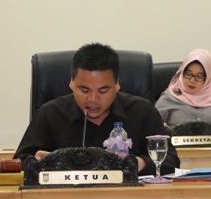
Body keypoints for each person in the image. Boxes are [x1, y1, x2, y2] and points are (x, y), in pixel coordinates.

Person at [14, 43, 180, 176]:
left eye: (103, 91)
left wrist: (139, 163)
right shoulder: (50, 113)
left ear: (117, 84)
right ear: (72, 82)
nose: (93, 99)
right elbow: (19, 161)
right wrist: (35, 161)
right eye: (84, 90)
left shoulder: (142, 111)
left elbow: (171, 161)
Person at [155, 49, 211, 126]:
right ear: (182, 73)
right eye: (188, 74)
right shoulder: (169, 97)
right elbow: (153, 124)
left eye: (199, 76)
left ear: (208, 79)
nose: (192, 80)